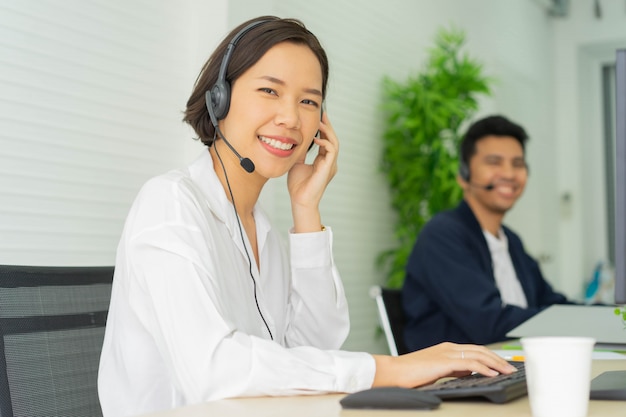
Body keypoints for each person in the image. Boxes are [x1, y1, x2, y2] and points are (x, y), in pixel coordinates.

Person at [97, 17, 516, 417]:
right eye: (269, 91)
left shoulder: (262, 232)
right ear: (218, 97)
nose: (291, 118)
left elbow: (316, 350)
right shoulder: (170, 204)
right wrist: (389, 369)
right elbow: (214, 370)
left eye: (309, 101)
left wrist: (306, 210)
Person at [402, 115, 571, 351]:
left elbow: (552, 303)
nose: (509, 174)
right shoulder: (442, 235)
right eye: (494, 162)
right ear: (463, 175)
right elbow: (489, 323)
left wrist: (609, 316)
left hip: (514, 368)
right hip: (456, 380)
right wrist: (565, 321)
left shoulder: (511, 241)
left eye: (518, 164)